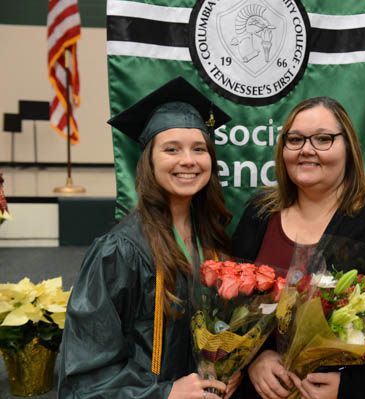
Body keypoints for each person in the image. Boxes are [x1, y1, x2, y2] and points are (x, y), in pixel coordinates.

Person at [231, 97, 365, 399]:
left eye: (323, 139)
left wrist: (351, 386)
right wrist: (254, 358)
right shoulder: (260, 213)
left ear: (349, 148)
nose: (306, 149)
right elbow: (233, 305)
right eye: (295, 140)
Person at [58, 77, 240, 399]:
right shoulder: (119, 252)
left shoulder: (212, 240)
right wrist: (166, 393)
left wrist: (228, 368)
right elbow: (84, 376)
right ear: (149, 161)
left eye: (199, 148)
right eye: (171, 149)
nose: (188, 160)